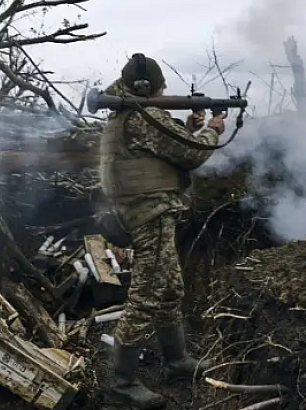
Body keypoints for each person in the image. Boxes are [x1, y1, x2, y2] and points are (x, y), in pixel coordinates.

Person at [98, 53, 225, 409]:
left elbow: (162, 150)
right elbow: (190, 153)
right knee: (148, 293)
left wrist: (188, 125)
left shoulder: (127, 115)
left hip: (147, 210)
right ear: (146, 87)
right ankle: (121, 383)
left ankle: (177, 361)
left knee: (170, 289)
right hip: (149, 213)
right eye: (161, 86)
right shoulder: (144, 116)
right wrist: (212, 128)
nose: (165, 91)